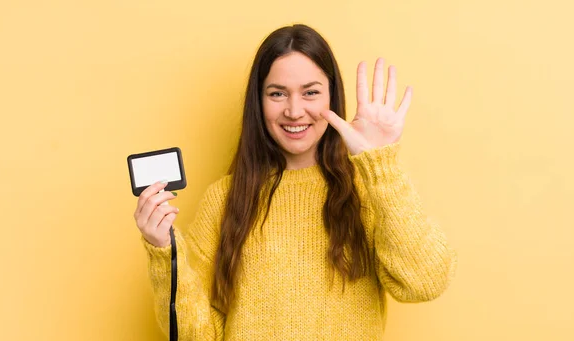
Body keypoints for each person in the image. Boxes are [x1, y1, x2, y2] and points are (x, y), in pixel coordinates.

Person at [133, 23, 457, 340]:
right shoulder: (224, 199)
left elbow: (424, 282)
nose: (294, 110)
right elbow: (196, 335)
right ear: (258, 103)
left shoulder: (369, 187)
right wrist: (164, 252)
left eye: (311, 93)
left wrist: (381, 162)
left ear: (332, 96)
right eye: (277, 94)